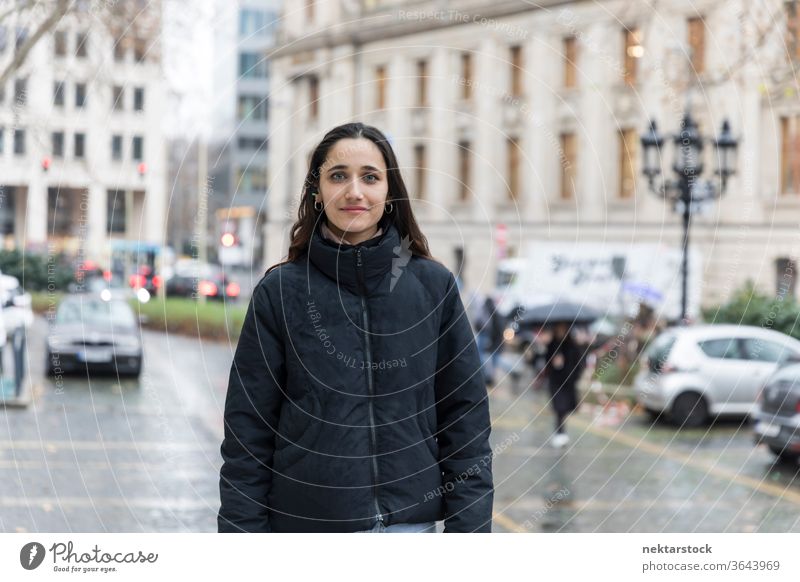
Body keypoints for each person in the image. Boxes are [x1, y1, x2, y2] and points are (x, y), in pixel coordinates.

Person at [218, 122, 494, 533]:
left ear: (389, 190)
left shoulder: (433, 288)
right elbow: (247, 433)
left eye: (370, 177)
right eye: (338, 176)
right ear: (317, 191)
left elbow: (465, 420)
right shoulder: (280, 292)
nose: (355, 192)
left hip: (409, 533)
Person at [543, 322, 585, 448]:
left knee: (564, 408)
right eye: (558, 329)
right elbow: (547, 362)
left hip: (568, 381)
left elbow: (578, 364)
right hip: (555, 381)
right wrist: (553, 363)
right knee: (558, 407)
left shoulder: (572, 345)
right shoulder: (552, 345)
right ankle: (560, 432)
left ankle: (561, 432)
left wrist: (573, 374)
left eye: (563, 329)